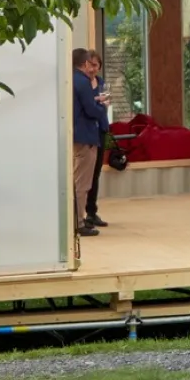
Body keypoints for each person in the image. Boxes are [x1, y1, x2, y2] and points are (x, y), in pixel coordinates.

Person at [71, 48, 106, 238]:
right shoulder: (83, 81)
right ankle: (78, 222)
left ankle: (75, 219)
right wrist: (101, 105)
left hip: (75, 135)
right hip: (86, 136)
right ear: (85, 63)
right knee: (82, 183)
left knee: (76, 179)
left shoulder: (70, 79)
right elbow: (91, 111)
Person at [84, 52, 111, 229]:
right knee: (85, 174)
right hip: (87, 132)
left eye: (96, 65)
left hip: (101, 128)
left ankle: (92, 211)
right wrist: (97, 101)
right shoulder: (81, 83)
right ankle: (80, 213)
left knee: (96, 173)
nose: (92, 69)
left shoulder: (101, 83)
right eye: (90, 64)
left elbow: (105, 103)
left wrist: (101, 103)